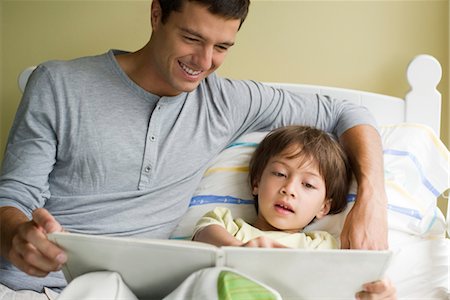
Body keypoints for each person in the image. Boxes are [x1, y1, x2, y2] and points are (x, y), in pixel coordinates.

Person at [0, 0, 389, 299]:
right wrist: (17, 234)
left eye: (222, 46)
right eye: (192, 38)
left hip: (136, 291)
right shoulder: (59, 84)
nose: (204, 63)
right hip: (29, 286)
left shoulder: (227, 101)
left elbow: (345, 111)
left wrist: (371, 199)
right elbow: (12, 198)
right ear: (157, 14)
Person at [193, 125, 351, 249]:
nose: (289, 189)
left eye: (308, 184)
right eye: (280, 174)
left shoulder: (320, 245)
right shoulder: (226, 225)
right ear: (256, 183)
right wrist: (239, 249)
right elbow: (203, 234)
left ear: (323, 208)